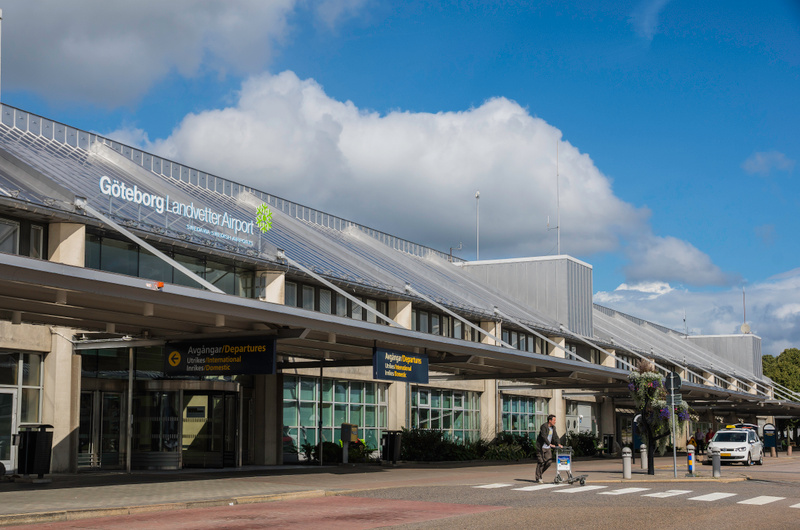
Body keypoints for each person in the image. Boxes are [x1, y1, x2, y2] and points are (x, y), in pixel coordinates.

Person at [535, 414, 563, 483]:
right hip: (541, 447)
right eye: (554, 420)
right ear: (550, 420)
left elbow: (555, 436)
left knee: (549, 462)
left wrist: (558, 443)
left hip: (547, 448)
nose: (555, 421)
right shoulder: (544, 426)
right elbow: (543, 436)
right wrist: (549, 444)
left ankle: (540, 473)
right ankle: (538, 477)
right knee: (541, 462)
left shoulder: (553, 428)